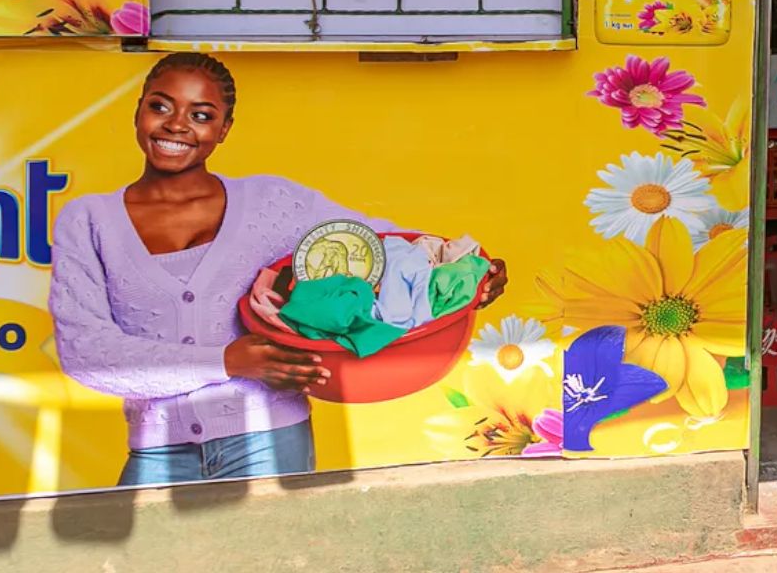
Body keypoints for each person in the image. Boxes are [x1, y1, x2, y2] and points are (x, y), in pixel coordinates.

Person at [49, 52, 508, 487]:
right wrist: (226, 361)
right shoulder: (88, 222)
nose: (176, 125)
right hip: (158, 451)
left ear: (225, 129)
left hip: (270, 441)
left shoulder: (272, 204)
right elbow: (87, 354)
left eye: (201, 114)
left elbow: (386, 249)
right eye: (161, 106)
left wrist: (468, 273)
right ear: (138, 111)